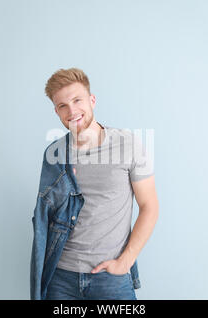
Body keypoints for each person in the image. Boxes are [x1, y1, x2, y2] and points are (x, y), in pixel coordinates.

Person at [40, 67, 159, 300]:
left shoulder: (128, 144)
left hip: (110, 277)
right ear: (56, 111)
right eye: (63, 105)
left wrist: (125, 262)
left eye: (77, 100)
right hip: (61, 277)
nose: (72, 110)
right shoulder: (54, 154)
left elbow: (150, 206)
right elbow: (46, 216)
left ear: (92, 100)